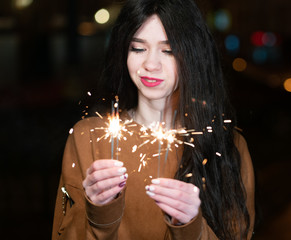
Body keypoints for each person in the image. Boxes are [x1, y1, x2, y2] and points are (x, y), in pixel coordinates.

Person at [52, 0, 255, 239]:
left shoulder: (227, 145)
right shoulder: (89, 137)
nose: (150, 64)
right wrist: (100, 214)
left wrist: (191, 226)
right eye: (138, 48)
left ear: (193, 55)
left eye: (168, 50)